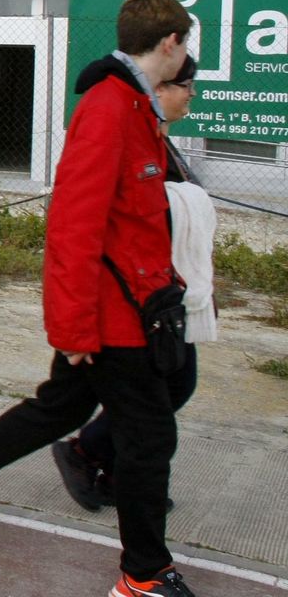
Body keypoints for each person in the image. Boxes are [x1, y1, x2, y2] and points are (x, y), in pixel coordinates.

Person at [0, 0, 199, 597]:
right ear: (171, 43)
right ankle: (144, 575)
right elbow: (72, 226)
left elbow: (134, 222)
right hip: (112, 318)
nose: (187, 60)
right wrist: (71, 330)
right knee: (148, 440)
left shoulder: (137, 108)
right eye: (187, 46)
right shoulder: (109, 108)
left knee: (61, 410)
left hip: (139, 309)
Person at [51, 54, 218, 512]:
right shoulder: (121, 124)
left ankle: (106, 466)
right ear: (160, 87)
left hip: (158, 293)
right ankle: (98, 467)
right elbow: (84, 223)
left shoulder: (156, 137)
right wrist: (74, 322)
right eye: (185, 86)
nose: (191, 95)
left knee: (170, 387)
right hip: (125, 299)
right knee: (82, 408)